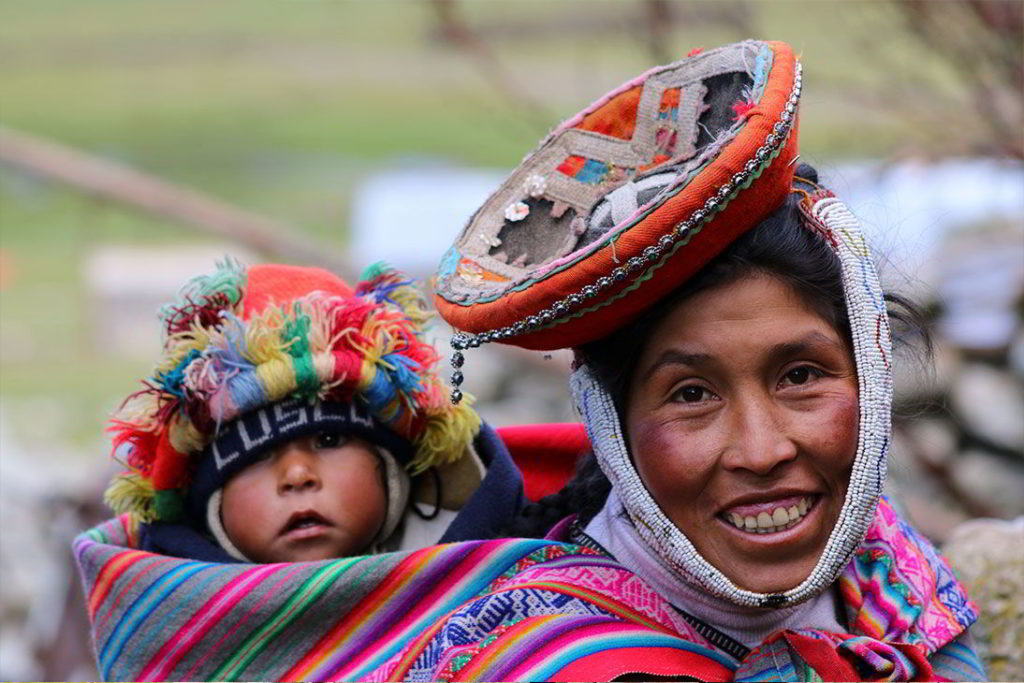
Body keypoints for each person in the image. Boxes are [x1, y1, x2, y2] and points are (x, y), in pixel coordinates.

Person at [432, 39, 986, 680]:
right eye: (691, 394)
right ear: (615, 427)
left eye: (801, 376)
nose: (760, 450)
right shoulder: (541, 659)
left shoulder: (894, 579)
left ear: (867, 369)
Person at [101, 260, 525, 563]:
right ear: (210, 507)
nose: (297, 476)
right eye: (255, 455)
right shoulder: (164, 634)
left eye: (329, 439)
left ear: (394, 469)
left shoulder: (498, 589)